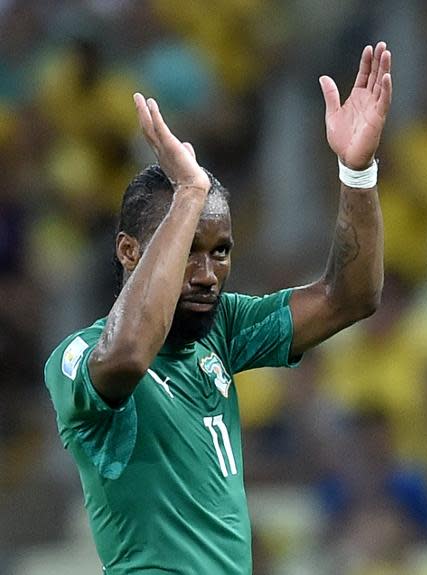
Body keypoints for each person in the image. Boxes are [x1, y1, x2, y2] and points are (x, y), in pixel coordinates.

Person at [43, 42, 392, 574]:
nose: (207, 275)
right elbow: (131, 354)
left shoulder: (221, 329)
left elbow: (351, 297)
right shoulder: (78, 357)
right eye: (187, 251)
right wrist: (188, 192)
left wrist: (357, 171)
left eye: (221, 251)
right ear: (129, 251)